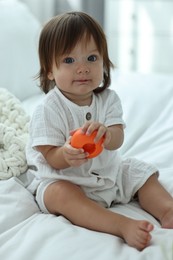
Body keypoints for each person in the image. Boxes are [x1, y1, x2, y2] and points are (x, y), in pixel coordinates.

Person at [26, 11, 173, 251]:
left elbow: (117, 139)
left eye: (92, 58)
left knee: (140, 172)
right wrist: (65, 154)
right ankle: (120, 225)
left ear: (104, 61)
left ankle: (168, 210)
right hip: (67, 179)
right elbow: (48, 154)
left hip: (108, 174)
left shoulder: (108, 100)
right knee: (58, 194)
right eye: (70, 61)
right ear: (49, 70)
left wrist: (107, 134)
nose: (83, 68)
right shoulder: (48, 108)